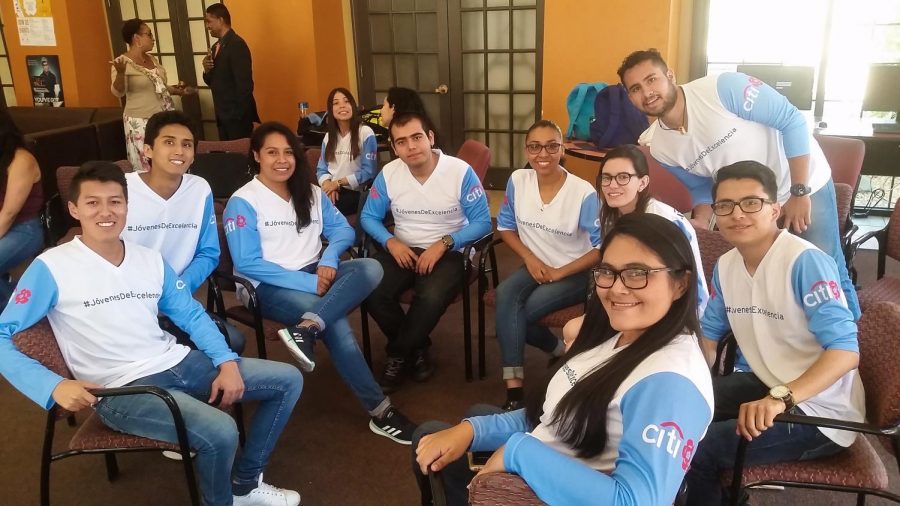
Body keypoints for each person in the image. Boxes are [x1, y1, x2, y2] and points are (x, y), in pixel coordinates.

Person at [0, 162, 302, 506]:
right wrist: (52, 386)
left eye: (115, 202)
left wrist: (226, 362)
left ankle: (244, 485)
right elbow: (2, 336)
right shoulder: (51, 266)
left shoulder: (149, 260)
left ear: (127, 206)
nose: (106, 211)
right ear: (73, 209)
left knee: (288, 379)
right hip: (119, 388)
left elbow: (190, 314)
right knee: (221, 431)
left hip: (176, 361)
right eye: (92, 202)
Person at [412, 213, 714, 506]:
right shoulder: (620, 332)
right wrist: (473, 430)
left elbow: (635, 501)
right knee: (459, 427)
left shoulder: (670, 384)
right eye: (608, 271)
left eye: (638, 274)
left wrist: (519, 451)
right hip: (558, 452)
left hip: (553, 482)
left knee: (428, 439)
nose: (617, 288)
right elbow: (555, 415)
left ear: (680, 284)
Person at [617, 48, 860, 320]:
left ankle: (851, 352)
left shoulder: (723, 89)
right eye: (636, 88)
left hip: (800, 184)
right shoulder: (660, 147)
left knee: (827, 268)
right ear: (630, 97)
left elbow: (792, 121)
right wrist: (701, 221)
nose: (647, 92)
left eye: (652, 79)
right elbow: (701, 186)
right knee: (774, 280)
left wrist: (799, 190)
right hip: (753, 207)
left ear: (669, 75)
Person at [223, 121, 417, 445]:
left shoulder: (311, 192)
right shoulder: (244, 201)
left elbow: (343, 231)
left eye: (289, 152)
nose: (282, 160)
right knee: (335, 322)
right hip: (266, 286)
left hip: (317, 270)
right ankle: (381, 412)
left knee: (370, 267)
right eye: (272, 152)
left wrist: (329, 259)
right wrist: (305, 282)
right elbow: (247, 263)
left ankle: (306, 328)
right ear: (256, 155)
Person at [685, 160, 864, 505]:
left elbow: (845, 351)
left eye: (751, 203)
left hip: (822, 412)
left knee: (699, 450)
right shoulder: (726, 265)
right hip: (767, 382)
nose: (737, 214)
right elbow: (709, 337)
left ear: (775, 209)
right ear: (715, 214)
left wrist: (781, 398)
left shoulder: (805, 262)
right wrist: (682, 379)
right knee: (681, 409)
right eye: (725, 205)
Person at [360, 111, 492, 392]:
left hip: (451, 251)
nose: (412, 147)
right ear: (394, 148)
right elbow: (369, 217)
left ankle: (397, 354)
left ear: (430, 138)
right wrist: (390, 242)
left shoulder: (459, 172)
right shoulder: (389, 174)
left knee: (430, 295)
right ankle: (417, 348)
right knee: (371, 290)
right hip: (402, 248)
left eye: (417, 137)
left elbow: (482, 222)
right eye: (402, 142)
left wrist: (444, 243)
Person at [493, 119, 601, 410]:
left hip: (574, 272)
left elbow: (601, 248)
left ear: (562, 148)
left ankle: (550, 356)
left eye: (552, 146)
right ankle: (516, 389)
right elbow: (504, 226)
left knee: (518, 315)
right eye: (535, 146)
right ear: (526, 150)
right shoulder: (518, 180)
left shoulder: (583, 193)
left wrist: (559, 272)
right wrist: (529, 258)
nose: (543, 153)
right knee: (505, 297)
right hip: (534, 265)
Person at [121, 110, 246, 357]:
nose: (179, 151)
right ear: (147, 150)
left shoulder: (199, 189)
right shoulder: (121, 189)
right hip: (129, 303)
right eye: (169, 142)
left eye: (186, 145)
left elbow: (209, 253)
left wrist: (177, 290)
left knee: (233, 342)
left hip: (178, 300)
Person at [597, 144, 708, 314]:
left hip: (678, 309)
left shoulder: (657, 220)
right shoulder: (614, 214)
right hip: (636, 294)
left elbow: (672, 282)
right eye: (606, 178)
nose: (612, 185)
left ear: (643, 183)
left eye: (623, 177)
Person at [110, 18, 196, 173]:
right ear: (137, 38)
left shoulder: (152, 59)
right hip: (140, 121)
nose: (153, 38)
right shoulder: (122, 62)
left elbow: (159, 87)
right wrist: (121, 73)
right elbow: (117, 91)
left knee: (170, 159)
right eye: (149, 34)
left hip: (164, 119)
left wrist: (179, 91)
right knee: (148, 165)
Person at [0, 107, 43, 313]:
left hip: (24, 229)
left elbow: (8, 214)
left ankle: (16, 315)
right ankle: (13, 309)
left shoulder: (21, 159)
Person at [202, 3, 260, 141]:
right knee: (228, 156)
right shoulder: (216, 46)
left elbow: (245, 85)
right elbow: (212, 81)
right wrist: (206, 69)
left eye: (209, 21)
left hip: (237, 117)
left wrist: (236, 114)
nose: (207, 26)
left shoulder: (236, 44)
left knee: (240, 156)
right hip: (222, 115)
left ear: (221, 20)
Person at [316, 87, 378, 216]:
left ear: (353, 106)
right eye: (336, 103)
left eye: (346, 101)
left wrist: (338, 183)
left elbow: (369, 172)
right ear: (330, 110)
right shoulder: (328, 137)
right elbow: (321, 169)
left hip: (356, 193)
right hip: (332, 191)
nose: (342, 106)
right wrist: (329, 186)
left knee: (321, 210)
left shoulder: (365, 133)